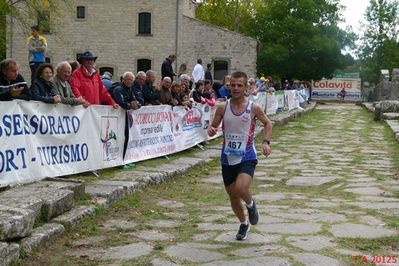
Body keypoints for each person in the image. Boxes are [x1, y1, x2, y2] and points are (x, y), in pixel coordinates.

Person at [207, 71, 272, 241]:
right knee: (233, 196)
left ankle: (251, 205)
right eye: (232, 85)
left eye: (239, 85)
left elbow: (267, 123)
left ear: (246, 88)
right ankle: (244, 223)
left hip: (247, 155)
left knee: (241, 189)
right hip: (227, 157)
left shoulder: (253, 108)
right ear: (229, 86)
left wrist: (266, 142)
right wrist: (211, 130)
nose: (235, 88)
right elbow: (213, 127)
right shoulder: (222, 107)